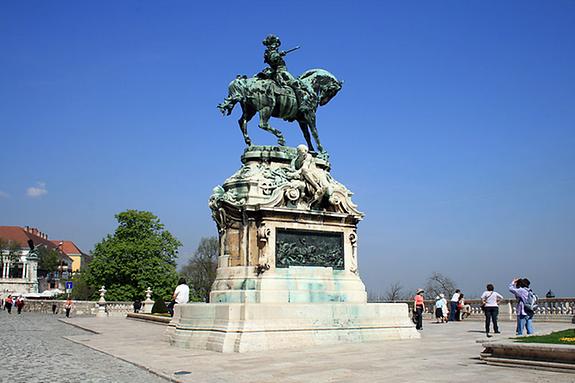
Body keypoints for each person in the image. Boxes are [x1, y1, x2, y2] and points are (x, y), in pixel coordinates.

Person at [260, 34, 312, 113]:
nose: (276, 45)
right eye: (275, 43)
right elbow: (273, 58)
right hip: (280, 72)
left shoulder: (269, 52)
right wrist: (280, 54)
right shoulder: (271, 52)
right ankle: (302, 104)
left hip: (275, 72)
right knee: (296, 83)